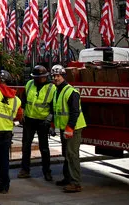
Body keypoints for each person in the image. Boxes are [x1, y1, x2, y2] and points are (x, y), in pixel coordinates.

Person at [50, 64, 86, 193]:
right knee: (67, 154)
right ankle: (68, 178)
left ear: (63, 76)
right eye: (54, 76)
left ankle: (76, 183)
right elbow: (57, 110)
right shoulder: (57, 91)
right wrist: (53, 124)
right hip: (64, 128)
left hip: (73, 128)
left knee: (72, 154)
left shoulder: (71, 92)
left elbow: (75, 112)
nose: (56, 78)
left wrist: (70, 128)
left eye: (58, 76)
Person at [18, 65, 56, 181]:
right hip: (29, 119)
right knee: (26, 146)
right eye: (35, 77)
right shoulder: (29, 84)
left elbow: (54, 107)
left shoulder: (52, 88)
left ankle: (47, 172)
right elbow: (23, 100)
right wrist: (21, 113)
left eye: (39, 77)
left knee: (44, 148)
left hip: (43, 121)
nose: (36, 79)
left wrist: (50, 122)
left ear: (45, 77)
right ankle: (25, 170)